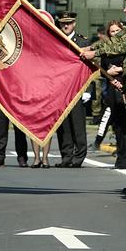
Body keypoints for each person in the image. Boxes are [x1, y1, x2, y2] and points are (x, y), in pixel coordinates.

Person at [53, 11, 89, 168]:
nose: (65, 26)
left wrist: (88, 89)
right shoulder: (55, 40)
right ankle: (66, 156)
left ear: (74, 23)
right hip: (60, 90)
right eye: (62, 23)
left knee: (78, 125)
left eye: (68, 23)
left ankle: (79, 156)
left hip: (77, 88)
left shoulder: (81, 42)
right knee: (63, 126)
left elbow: (90, 67)